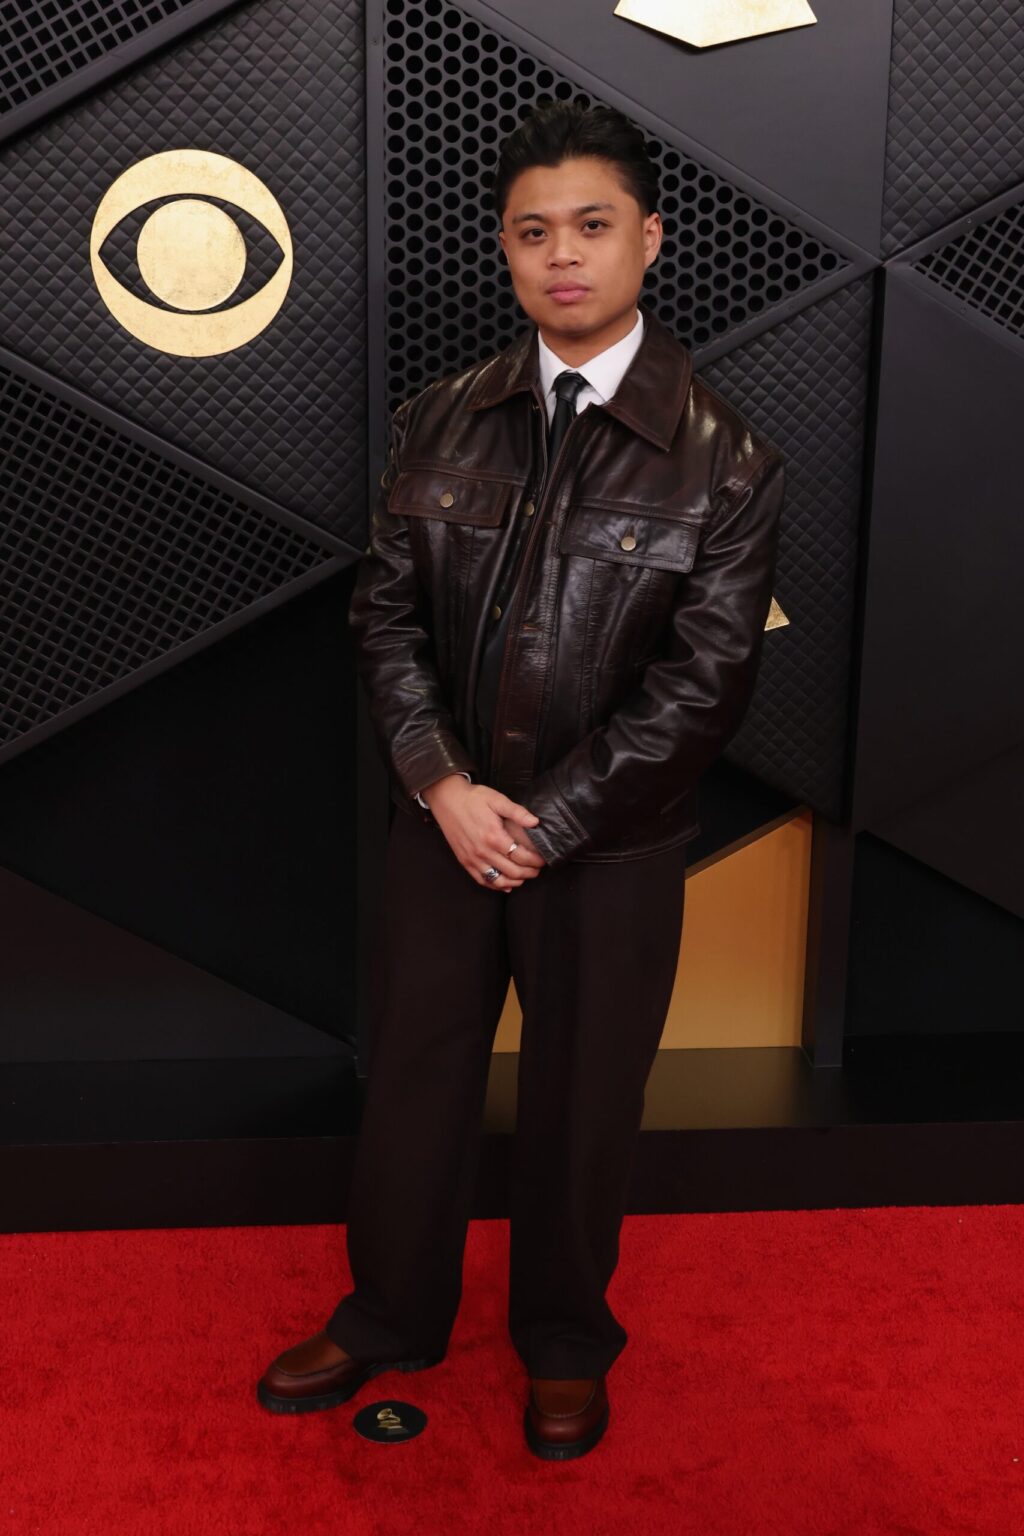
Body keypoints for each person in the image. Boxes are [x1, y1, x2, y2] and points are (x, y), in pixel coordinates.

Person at [258, 98, 785, 1461]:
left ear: (649, 239)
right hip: (443, 827)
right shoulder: (441, 417)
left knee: (581, 1102)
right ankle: (388, 1319)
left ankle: (562, 1340)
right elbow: (382, 620)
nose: (564, 255)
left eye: (592, 227)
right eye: (534, 231)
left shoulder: (724, 461)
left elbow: (702, 687)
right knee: (414, 1084)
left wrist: (548, 821)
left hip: (607, 851)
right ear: (506, 250)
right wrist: (441, 784)